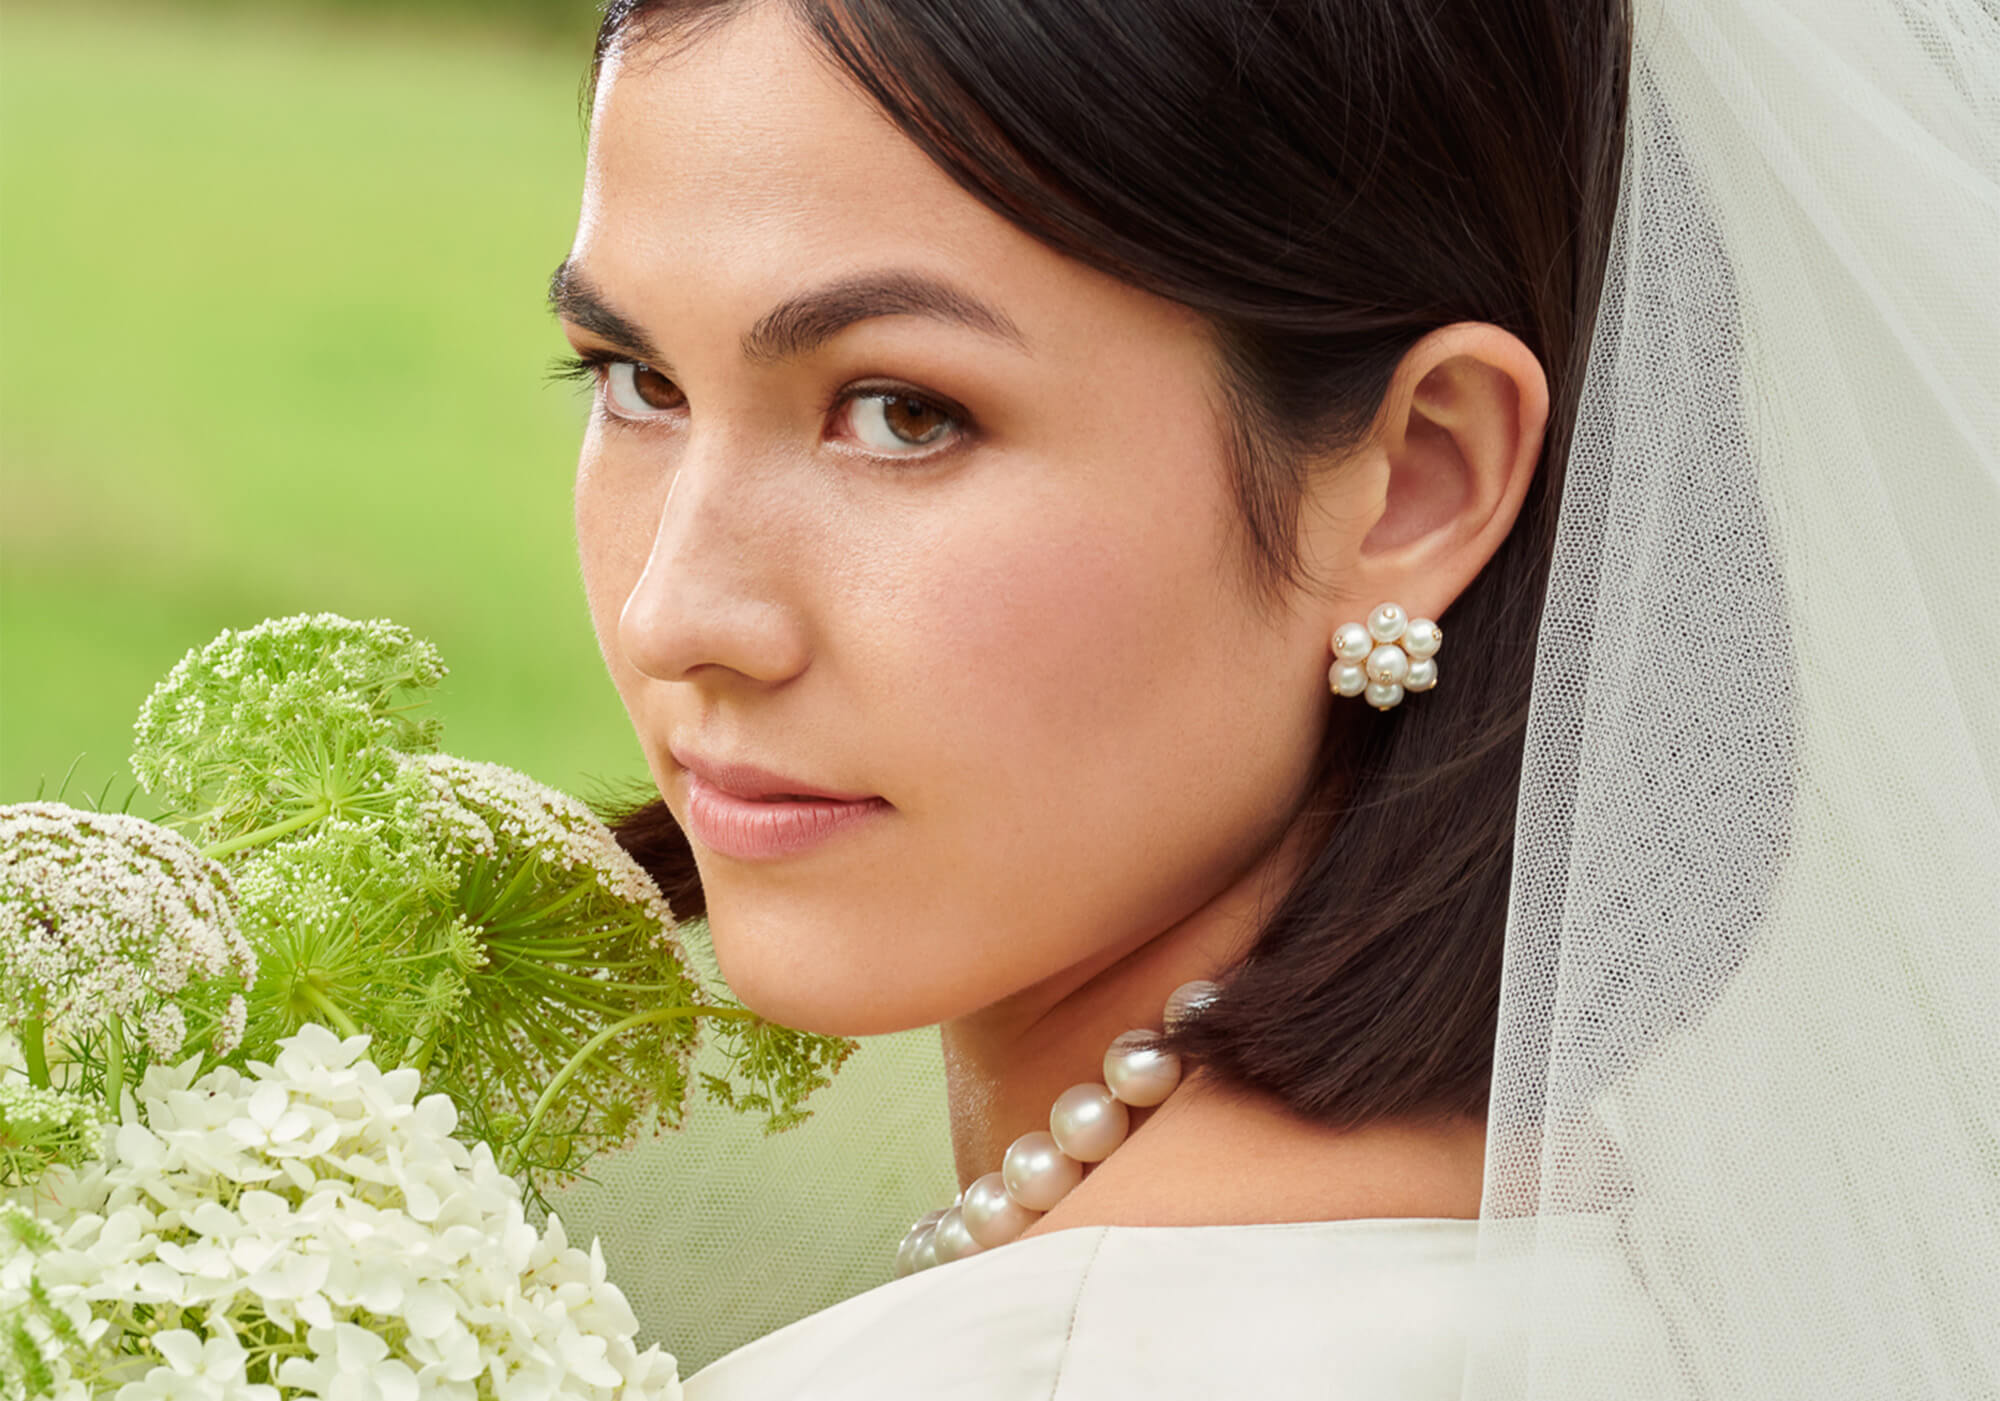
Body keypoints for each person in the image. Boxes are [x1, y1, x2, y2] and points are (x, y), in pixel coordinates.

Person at [545, 0, 2000, 1395]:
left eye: (903, 413)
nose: (679, 610)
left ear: (1417, 482)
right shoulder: (1637, 1281)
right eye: (634, 380)